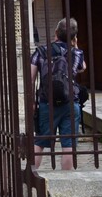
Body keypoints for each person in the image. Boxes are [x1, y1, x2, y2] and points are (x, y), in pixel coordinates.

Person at [31, 18, 87, 170]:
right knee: (68, 145)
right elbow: (82, 68)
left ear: (56, 33)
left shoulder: (41, 52)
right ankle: (67, 182)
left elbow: (31, 78)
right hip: (70, 102)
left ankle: (31, 176)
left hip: (46, 103)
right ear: (74, 37)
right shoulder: (76, 53)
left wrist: (32, 102)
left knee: (40, 142)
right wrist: (74, 45)